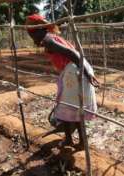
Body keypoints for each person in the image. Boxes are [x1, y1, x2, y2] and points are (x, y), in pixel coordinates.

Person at [25, 14, 98, 147]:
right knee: (73, 108)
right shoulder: (49, 38)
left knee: (68, 107)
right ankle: (75, 140)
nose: (32, 38)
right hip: (74, 69)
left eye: (31, 34)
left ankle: (77, 141)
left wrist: (86, 73)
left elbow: (73, 54)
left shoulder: (48, 40)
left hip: (75, 70)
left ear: (38, 30)